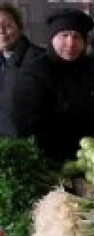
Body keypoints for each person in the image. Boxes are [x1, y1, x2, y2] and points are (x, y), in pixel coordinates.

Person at [11, 8, 94, 162]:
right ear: (52, 38)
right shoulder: (35, 73)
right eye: (64, 35)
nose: (71, 43)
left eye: (77, 37)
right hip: (55, 162)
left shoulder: (91, 66)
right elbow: (29, 129)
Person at [0, 3, 44, 138]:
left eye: (7, 26)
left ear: (19, 27)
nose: (1, 31)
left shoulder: (39, 59)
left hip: (28, 144)